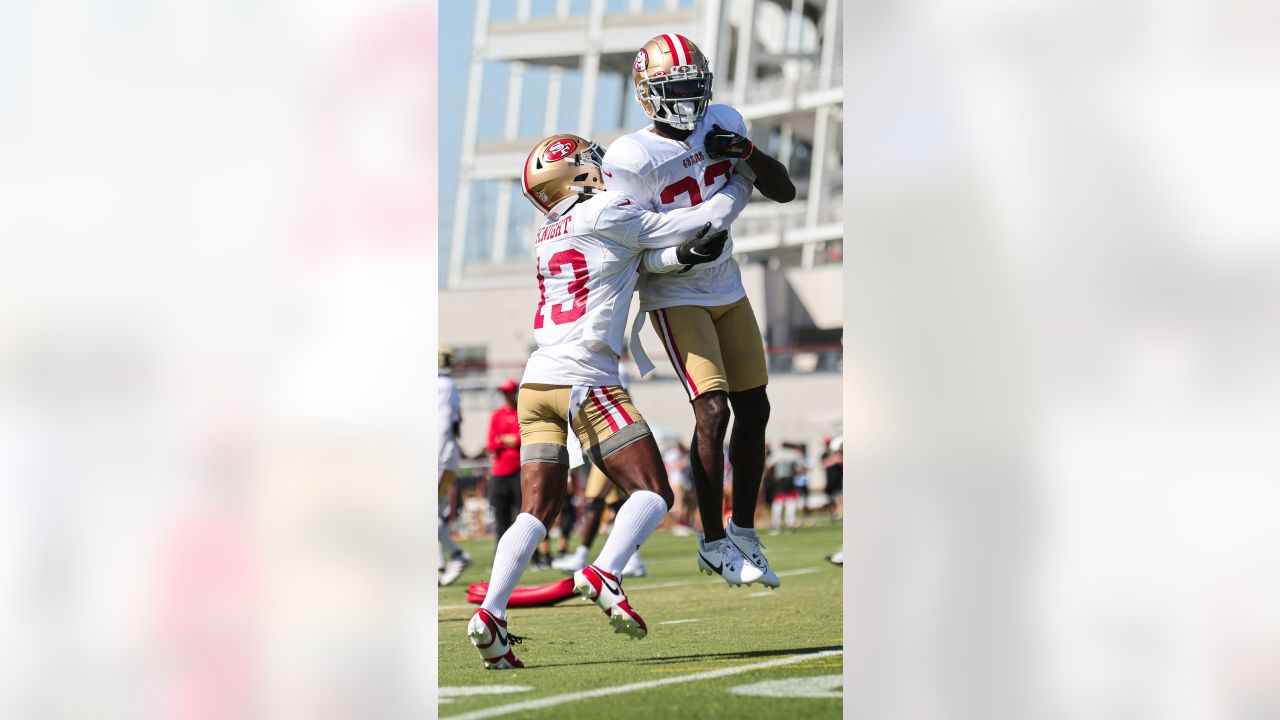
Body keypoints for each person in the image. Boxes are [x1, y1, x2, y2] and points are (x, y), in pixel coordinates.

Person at [467, 132, 755, 669]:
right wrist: (742, 179)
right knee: (652, 491)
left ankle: (491, 612)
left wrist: (677, 257)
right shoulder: (605, 212)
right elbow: (698, 218)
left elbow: (634, 262)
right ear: (572, 174)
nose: (600, 166)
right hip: (585, 379)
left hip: (537, 384)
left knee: (537, 510)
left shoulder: (548, 233)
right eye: (588, 161)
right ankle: (606, 570)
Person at [603, 33, 795, 589]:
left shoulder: (724, 120)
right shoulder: (632, 156)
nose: (688, 100)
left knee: (755, 409)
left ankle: (742, 528)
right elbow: (631, 246)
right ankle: (711, 541)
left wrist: (748, 154)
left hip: (727, 286)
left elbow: (782, 189)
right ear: (647, 94)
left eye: (694, 87)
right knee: (712, 411)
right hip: (675, 292)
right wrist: (679, 255)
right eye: (674, 89)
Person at [438, 347, 471, 586]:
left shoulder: (442, 386)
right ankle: (438, 567)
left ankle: (457, 555)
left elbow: (442, 425)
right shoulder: (446, 385)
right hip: (446, 453)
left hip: (441, 454)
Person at [486, 379, 522, 544]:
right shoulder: (497, 415)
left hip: (519, 471)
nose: (507, 396)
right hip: (500, 473)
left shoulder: (522, 413)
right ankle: (500, 557)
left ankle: (534, 557)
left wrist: (509, 440)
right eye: (504, 393)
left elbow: (524, 439)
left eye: (509, 392)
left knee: (524, 517)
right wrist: (510, 440)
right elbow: (492, 444)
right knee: (501, 519)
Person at [767, 442, 805, 534]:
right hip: (790, 480)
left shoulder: (777, 454)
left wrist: (771, 477)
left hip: (780, 481)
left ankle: (776, 526)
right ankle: (790, 525)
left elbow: (768, 466)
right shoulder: (794, 455)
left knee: (778, 504)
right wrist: (795, 474)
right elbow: (801, 468)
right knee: (790, 503)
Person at [822, 435, 843, 521]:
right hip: (830, 480)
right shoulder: (824, 455)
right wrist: (832, 460)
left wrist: (835, 459)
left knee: (839, 498)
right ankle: (834, 513)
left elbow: (840, 461)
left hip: (838, 480)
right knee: (831, 499)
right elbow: (823, 464)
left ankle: (840, 514)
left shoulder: (838, 454)